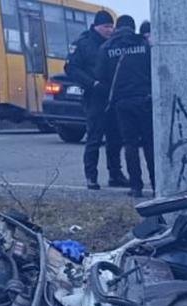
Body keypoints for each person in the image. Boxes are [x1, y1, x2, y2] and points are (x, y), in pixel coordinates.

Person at [65, 10, 127, 191]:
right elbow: (72, 68)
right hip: (94, 96)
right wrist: (92, 83)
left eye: (111, 27)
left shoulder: (114, 43)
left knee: (115, 137)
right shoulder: (83, 43)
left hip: (113, 95)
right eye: (106, 26)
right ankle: (91, 176)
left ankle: (115, 174)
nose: (110, 30)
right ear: (96, 26)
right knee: (94, 137)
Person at [97, 14, 155, 197]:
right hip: (145, 100)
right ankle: (157, 184)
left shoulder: (107, 47)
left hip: (121, 102)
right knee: (150, 143)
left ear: (117, 27)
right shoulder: (144, 45)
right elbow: (153, 69)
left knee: (130, 144)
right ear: (133, 27)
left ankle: (136, 186)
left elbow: (101, 76)